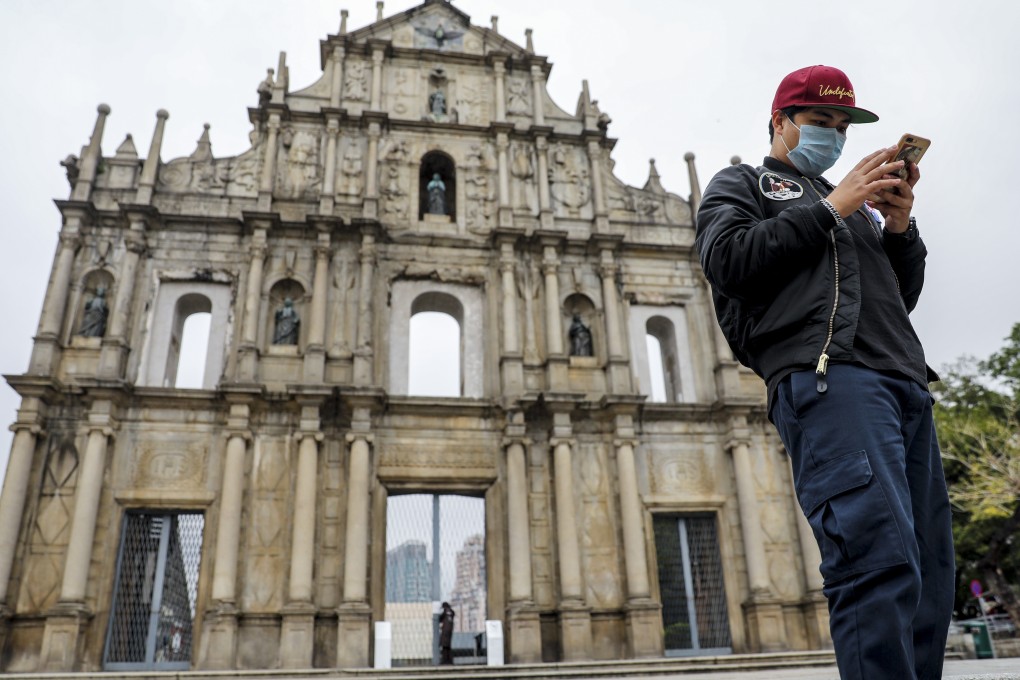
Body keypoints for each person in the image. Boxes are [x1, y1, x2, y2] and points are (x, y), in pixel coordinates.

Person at [695, 65, 954, 680]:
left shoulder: (858, 208)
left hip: (906, 386)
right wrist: (834, 206)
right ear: (781, 123)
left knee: (930, 570)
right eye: (820, 122)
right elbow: (728, 261)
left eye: (843, 126)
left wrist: (896, 225)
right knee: (876, 557)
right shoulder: (741, 183)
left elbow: (898, 297)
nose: (834, 138)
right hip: (832, 380)